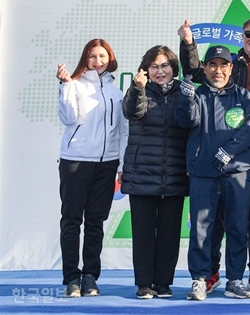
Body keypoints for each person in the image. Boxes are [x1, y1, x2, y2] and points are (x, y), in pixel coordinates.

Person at [178, 18, 250, 294]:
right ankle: (200, 277)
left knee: (237, 227)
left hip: (238, 171)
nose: (218, 70)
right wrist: (185, 99)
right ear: (205, 69)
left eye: (223, 66)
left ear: (231, 68)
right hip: (204, 173)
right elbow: (186, 121)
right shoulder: (197, 96)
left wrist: (228, 152)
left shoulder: (245, 97)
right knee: (201, 229)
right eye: (212, 66)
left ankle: (235, 279)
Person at [56, 38, 128, 298]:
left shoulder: (116, 92)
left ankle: (90, 276)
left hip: (106, 164)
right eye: (92, 56)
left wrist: (121, 164)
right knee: (72, 221)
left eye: (102, 56)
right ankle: (71, 278)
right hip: (76, 161)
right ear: (85, 59)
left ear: (110, 58)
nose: (98, 61)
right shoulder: (74, 85)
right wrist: (65, 86)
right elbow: (68, 118)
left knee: (96, 222)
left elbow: (123, 132)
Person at [121, 45, 189, 299]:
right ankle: (144, 283)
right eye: (154, 66)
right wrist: (138, 88)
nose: (160, 71)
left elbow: (188, 123)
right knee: (143, 233)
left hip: (175, 172)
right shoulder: (139, 90)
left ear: (174, 68)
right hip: (141, 173)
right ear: (146, 70)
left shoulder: (184, 92)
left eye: (165, 66)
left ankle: (164, 283)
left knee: (170, 234)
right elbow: (132, 112)